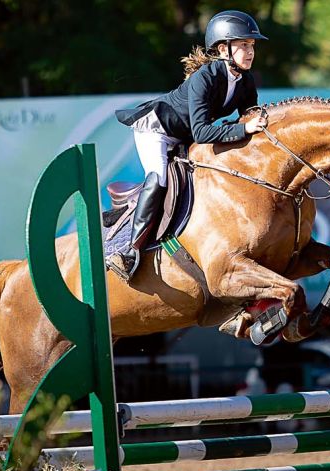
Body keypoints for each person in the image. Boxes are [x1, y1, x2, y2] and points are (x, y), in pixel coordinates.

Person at [106, 10, 269, 281]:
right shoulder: (204, 78)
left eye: (252, 45)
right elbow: (204, 132)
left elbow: (249, 117)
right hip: (157, 130)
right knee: (158, 178)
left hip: (185, 135)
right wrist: (243, 129)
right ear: (223, 48)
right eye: (243, 44)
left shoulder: (245, 81)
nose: (250, 51)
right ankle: (129, 250)